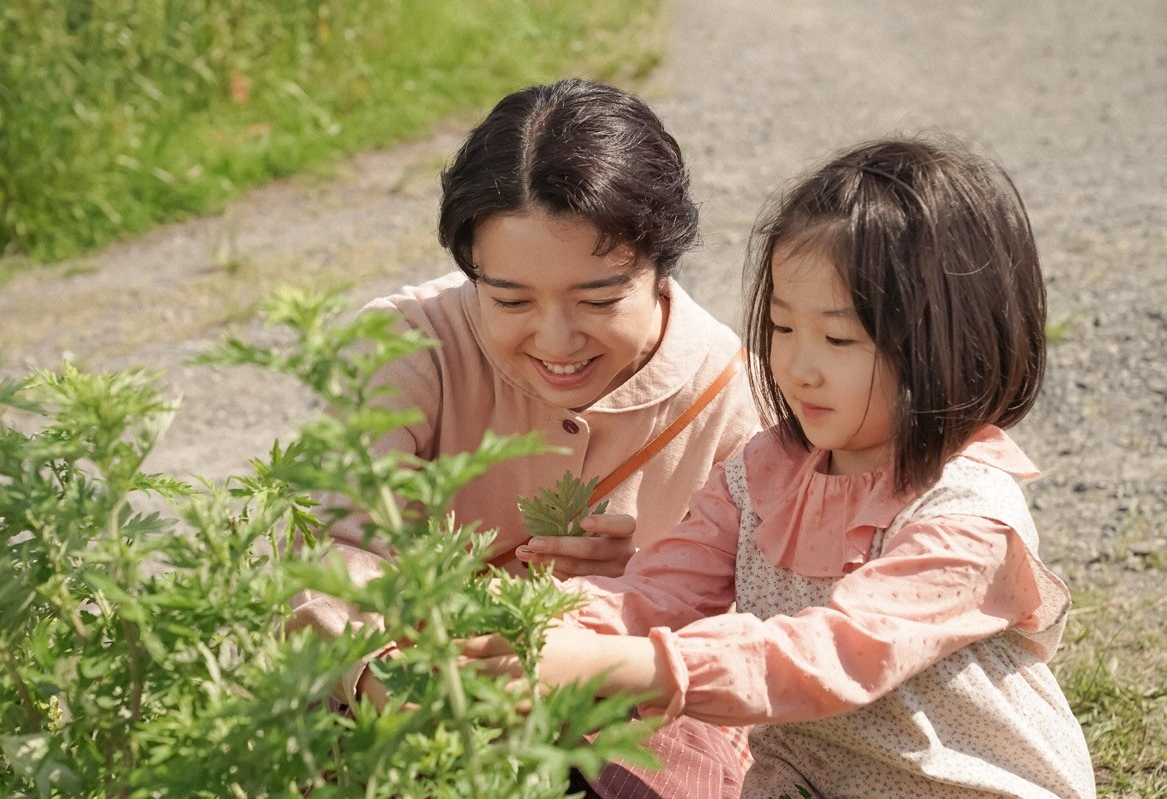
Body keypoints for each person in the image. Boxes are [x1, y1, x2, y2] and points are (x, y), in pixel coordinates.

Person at [464, 136, 1098, 798]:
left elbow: (829, 652)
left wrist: (627, 664)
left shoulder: (967, 513)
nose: (798, 366)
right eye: (782, 326)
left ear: (950, 342)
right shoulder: (764, 472)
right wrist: (542, 620)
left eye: (839, 337)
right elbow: (660, 592)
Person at [288, 78, 761, 797]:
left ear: (662, 264)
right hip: (413, 691)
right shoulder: (406, 347)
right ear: (469, 268)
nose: (556, 339)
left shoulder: (732, 395)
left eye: (598, 299)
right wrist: (417, 686)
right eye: (509, 299)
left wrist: (643, 578)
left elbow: (766, 624)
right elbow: (332, 549)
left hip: (624, 709)